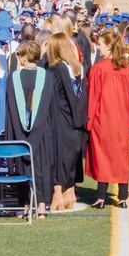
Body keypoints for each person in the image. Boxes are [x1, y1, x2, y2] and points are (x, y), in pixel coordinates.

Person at [87, 30, 129, 209]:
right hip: (121, 121)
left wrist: (88, 121)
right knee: (121, 157)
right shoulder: (126, 68)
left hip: (102, 119)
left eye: (100, 44)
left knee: (103, 156)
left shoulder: (98, 69)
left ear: (109, 46)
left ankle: (101, 198)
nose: (98, 47)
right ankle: (123, 197)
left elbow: (92, 97)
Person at [5, 41, 55, 219]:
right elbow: (52, 108)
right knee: (41, 166)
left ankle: (25, 205)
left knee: (24, 166)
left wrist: (12, 134)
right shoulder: (47, 77)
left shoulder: (13, 78)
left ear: (25, 57)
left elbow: (10, 111)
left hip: (20, 133)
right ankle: (41, 207)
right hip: (43, 132)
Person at [46, 33, 88, 211]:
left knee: (58, 157)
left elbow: (50, 95)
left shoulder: (56, 69)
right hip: (77, 120)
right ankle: (69, 194)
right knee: (72, 159)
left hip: (60, 119)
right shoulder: (79, 68)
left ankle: (58, 196)